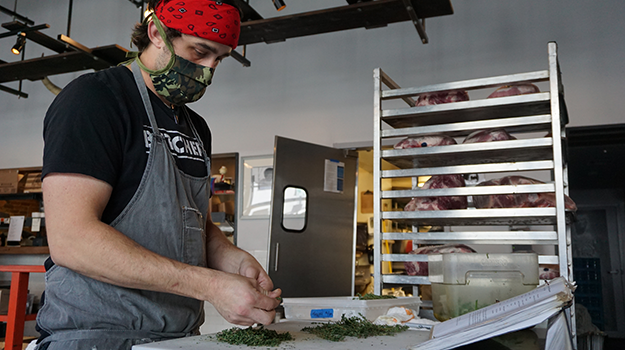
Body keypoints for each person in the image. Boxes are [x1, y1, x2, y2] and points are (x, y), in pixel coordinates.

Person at [35, 1, 281, 349]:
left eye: (220, 59)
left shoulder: (196, 128)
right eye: (200, 51)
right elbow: (71, 240)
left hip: (176, 339)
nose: (209, 70)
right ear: (156, 33)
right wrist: (210, 286)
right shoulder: (95, 100)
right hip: (99, 336)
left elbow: (196, 224)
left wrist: (232, 259)